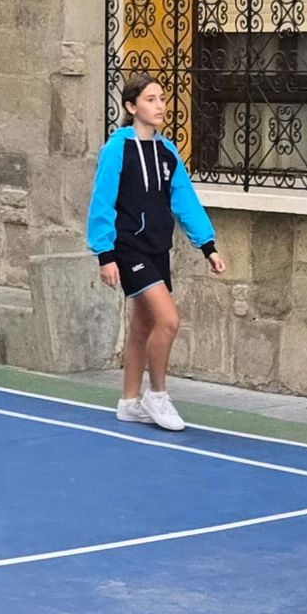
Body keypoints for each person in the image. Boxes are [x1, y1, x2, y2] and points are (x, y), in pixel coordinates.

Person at [86, 72, 227, 432]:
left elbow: (185, 200)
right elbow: (102, 201)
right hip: (128, 247)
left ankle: (129, 401)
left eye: (161, 98)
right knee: (169, 320)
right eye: (150, 99)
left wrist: (207, 245)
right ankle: (157, 395)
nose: (160, 105)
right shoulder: (118, 149)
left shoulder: (167, 152)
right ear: (132, 107)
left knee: (141, 326)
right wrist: (105, 254)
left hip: (158, 249)